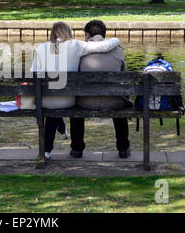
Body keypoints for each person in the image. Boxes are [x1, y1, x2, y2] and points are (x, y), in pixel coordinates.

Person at [31, 21, 120, 160]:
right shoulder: (76, 45)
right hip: (68, 100)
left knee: (52, 106)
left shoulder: (40, 48)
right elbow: (103, 46)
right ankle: (63, 135)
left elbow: (34, 75)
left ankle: (46, 151)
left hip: (45, 101)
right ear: (68, 32)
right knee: (63, 100)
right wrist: (117, 39)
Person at [71, 20, 132, 159]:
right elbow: (123, 76)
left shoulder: (79, 50)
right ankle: (123, 148)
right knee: (120, 105)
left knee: (75, 107)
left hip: (86, 101)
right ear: (104, 35)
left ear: (87, 34)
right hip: (114, 101)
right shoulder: (118, 50)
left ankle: (77, 148)